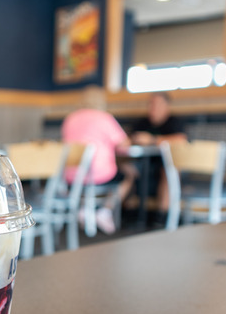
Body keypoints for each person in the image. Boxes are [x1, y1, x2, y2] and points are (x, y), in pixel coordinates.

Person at [62, 86, 137, 234]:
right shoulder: (104, 117)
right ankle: (105, 210)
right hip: (97, 176)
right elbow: (124, 145)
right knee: (129, 174)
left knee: (92, 176)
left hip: (70, 177)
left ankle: (85, 209)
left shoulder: (70, 118)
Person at [130, 92, 188, 222]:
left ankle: (162, 217)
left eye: (157, 104)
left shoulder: (174, 122)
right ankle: (115, 213)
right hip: (143, 163)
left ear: (167, 106)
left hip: (167, 164)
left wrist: (152, 139)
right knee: (127, 169)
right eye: (151, 104)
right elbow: (129, 140)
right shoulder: (142, 123)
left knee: (169, 170)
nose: (153, 107)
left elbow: (181, 140)